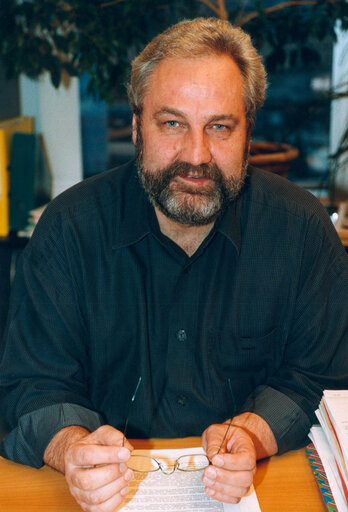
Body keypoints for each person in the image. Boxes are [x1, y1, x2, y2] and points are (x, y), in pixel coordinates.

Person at [0, 16, 347, 512]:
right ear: (138, 125)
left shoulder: (303, 232)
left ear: (249, 132)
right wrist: (71, 447)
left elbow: (320, 377)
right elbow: (31, 384)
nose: (197, 155)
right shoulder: (69, 230)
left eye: (220, 127)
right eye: (172, 123)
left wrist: (256, 433)